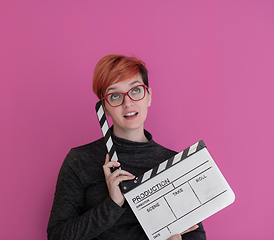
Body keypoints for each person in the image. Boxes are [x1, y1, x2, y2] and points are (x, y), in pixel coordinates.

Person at [47, 54, 206, 240]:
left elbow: (195, 234)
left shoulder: (174, 163)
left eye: (136, 90)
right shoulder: (80, 160)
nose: (128, 102)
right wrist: (113, 204)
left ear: (148, 96)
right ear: (105, 107)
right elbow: (57, 236)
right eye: (115, 95)